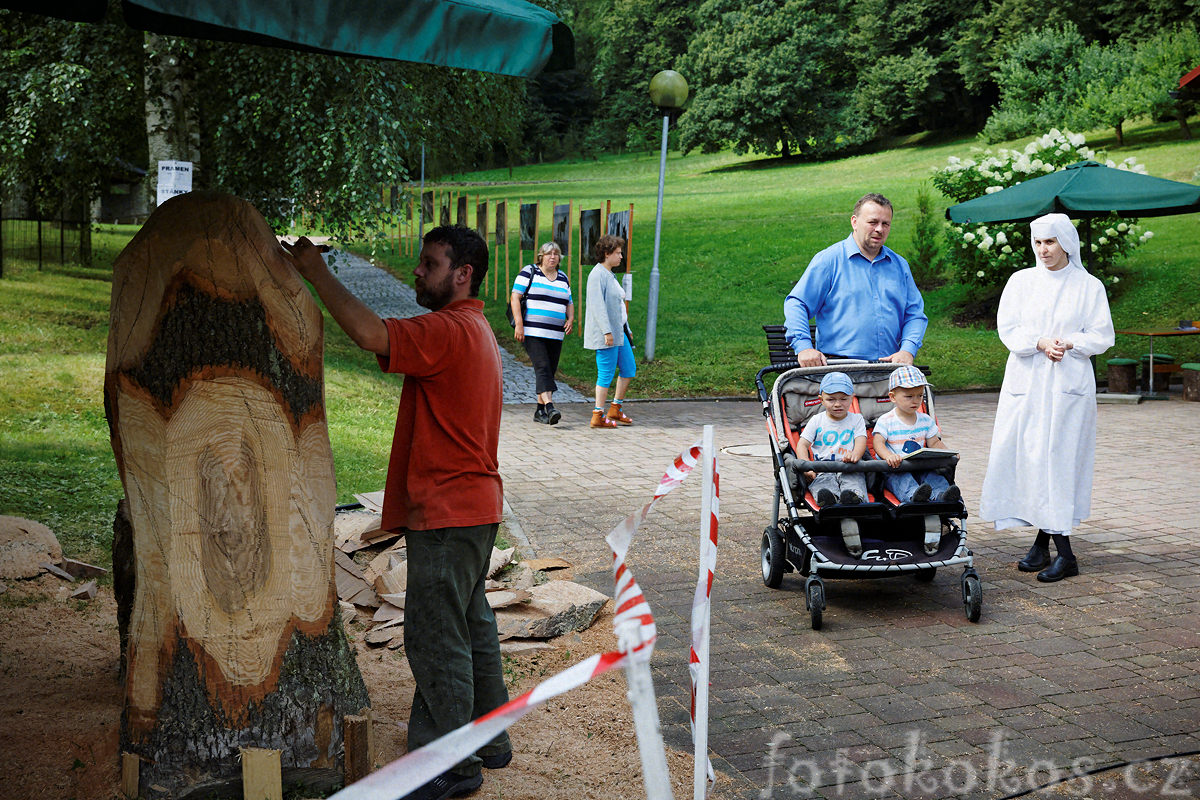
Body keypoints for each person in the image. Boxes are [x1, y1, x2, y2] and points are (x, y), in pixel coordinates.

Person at [282, 226, 511, 800]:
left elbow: (367, 333)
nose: (417, 272)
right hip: (475, 508)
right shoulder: (476, 327)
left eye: (429, 264)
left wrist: (316, 271)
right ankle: (491, 738)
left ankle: (451, 765)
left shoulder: (448, 330)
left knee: (435, 637)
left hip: (450, 510)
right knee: (471, 623)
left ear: (463, 275)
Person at [979, 213, 1114, 583]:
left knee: (1057, 460)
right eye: (1038, 242)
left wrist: (1070, 342)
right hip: (1027, 382)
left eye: (1050, 242)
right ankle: (1042, 544)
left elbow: (1102, 335)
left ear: (1066, 242)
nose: (1043, 250)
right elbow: (1008, 327)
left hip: (1068, 385)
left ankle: (1066, 555)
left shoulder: (1089, 286)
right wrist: (1038, 342)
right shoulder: (1021, 281)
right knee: (1028, 458)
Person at [784, 193, 928, 366]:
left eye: (885, 224)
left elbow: (915, 315)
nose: (879, 229)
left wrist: (907, 350)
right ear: (854, 222)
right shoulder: (829, 261)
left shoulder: (900, 265)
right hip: (838, 371)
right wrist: (804, 347)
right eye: (873, 222)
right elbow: (797, 303)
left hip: (889, 369)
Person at [798, 372, 868, 555]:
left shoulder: (856, 419)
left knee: (853, 483)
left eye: (844, 399)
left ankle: (852, 498)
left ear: (852, 398)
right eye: (831, 399)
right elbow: (802, 444)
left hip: (849, 467)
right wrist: (807, 466)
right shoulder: (817, 420)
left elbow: (861, 440)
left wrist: (856, 454)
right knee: (823, 485)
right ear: (821, 399)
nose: (838, 404)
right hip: (823, 469)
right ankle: (829, 500)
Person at [873, 365, 962, 504]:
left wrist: (948, 453)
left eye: (919, 395)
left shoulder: (925, 420)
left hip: (920, 466)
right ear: (892, 397)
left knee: (934, 477)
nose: (915, 400)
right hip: (897, 468)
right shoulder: (886, 420)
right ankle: (914, 495)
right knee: (902, 481)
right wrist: (888, 456)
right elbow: (878, 443)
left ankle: (942, 495)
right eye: (909, 396)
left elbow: (934, 442)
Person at [510, 241, 574, 425]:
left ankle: (539, 412)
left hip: (555, 333)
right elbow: (515, 296)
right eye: (549, 254)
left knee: (550, 370)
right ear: (541, 256)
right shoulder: (529, 272)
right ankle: (550, 407)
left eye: (556, 254)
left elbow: (569, 302)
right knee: (542, 367)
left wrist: (570, 319)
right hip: (533, 331)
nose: (552, 257)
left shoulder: (563, 277)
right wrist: (519, 324)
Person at [584, 234, 635, 428]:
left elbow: (618, 306)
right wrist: (607, 332)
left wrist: (626, 329)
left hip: (618, 332)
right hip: (607, 335)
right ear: (607, 254)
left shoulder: (610, 274)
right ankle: (597, 415)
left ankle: (615, 408)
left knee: (629, 368)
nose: (621, 257)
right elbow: (597, 306)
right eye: (618, 253)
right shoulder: (597, 275)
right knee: (605, 373)